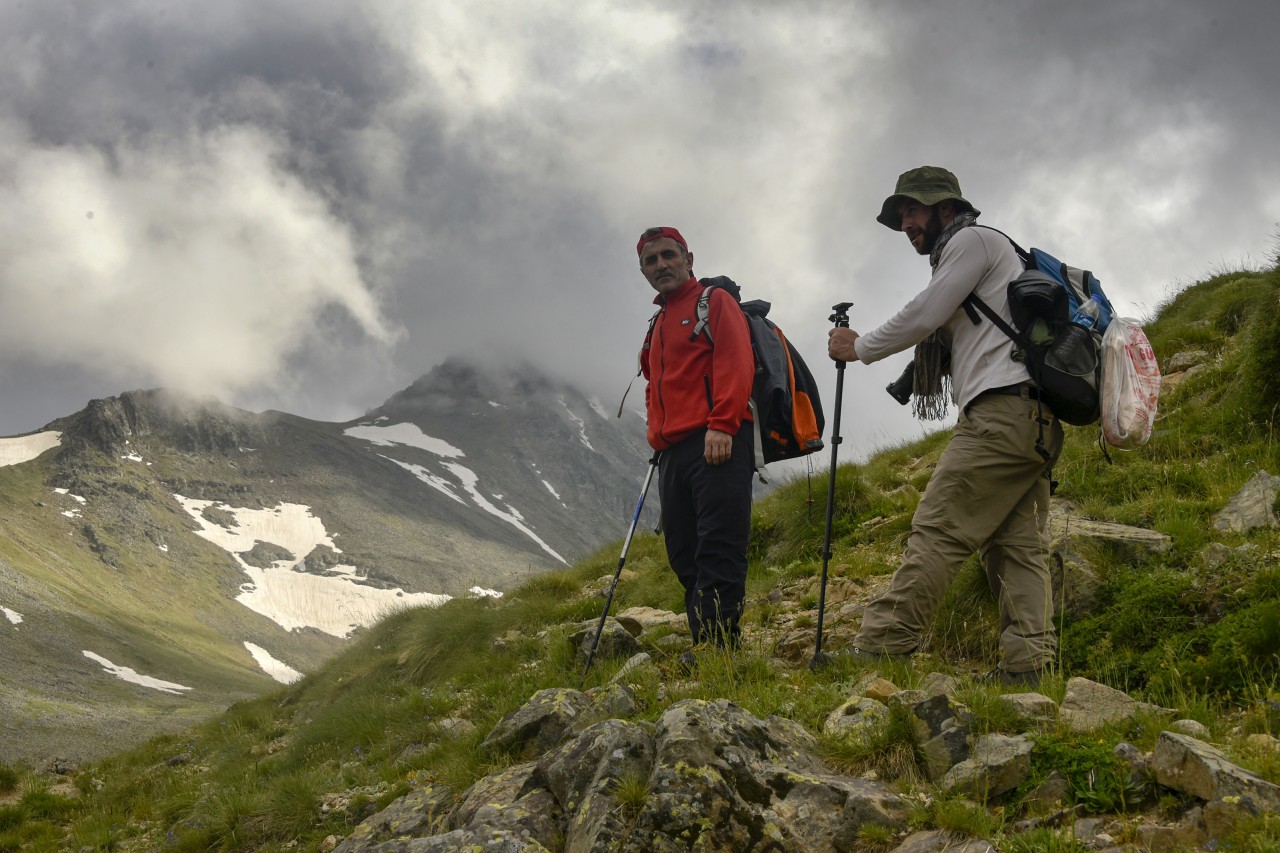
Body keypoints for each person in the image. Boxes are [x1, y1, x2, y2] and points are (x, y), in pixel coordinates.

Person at [826, 166, 1064, 685]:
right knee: (1015, 545)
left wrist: (859, 347)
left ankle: (884, 645)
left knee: (938, 528)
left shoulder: (974, 242)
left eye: (914, 209)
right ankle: (1029, 668)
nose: (907, 222)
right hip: (1033, 420)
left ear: (946, 208)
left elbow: (925, 313)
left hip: (1000, 414)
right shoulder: (987, 253)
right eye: (901, 214)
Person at [637, 226, 756, 653]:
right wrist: (657, 436)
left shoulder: (714, 301)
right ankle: (707, 642)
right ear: (644, 271)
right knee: (684, 552)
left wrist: (723, 423)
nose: (661, 265)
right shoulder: (659, 321)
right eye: (651, 261)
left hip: (716, 439)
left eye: (669, 255)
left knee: (718, 543)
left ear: (689, 259)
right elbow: (654, 383)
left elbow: (736, 361)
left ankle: (720, 647)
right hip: (672, 452)